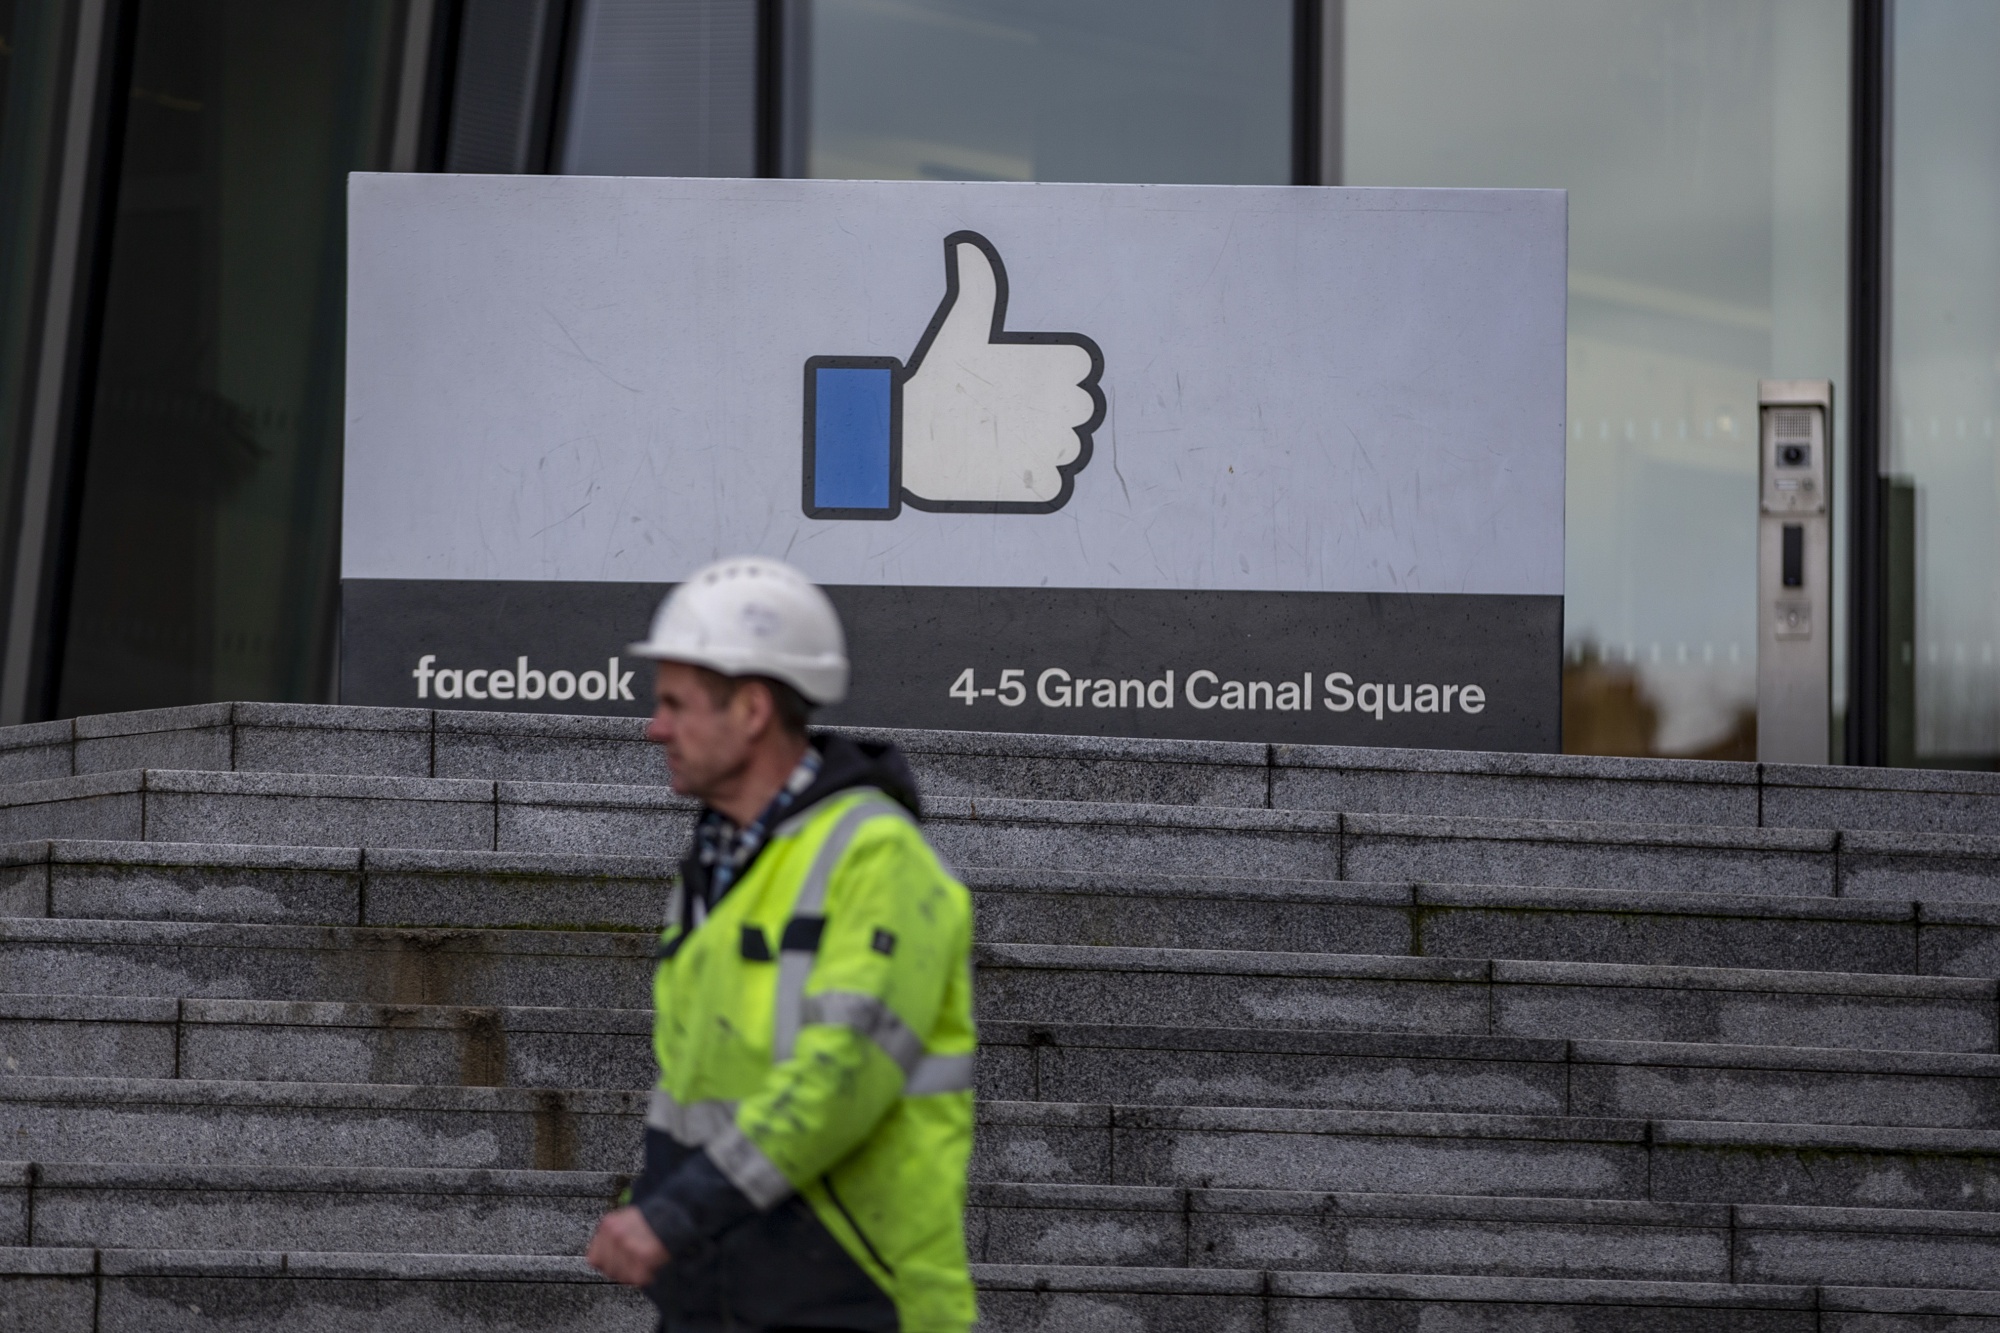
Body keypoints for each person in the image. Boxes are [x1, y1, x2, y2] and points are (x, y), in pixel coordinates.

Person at [586, 555, 978, 1333]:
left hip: (854, 1292)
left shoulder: (877, 855)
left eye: (676, 704)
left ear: (754, 709)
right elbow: (694, 1086)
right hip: (722, 1287)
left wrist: (672, 1216)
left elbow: (840, 1076)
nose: (653, 726)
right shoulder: (717, 862)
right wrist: (663, 1216)